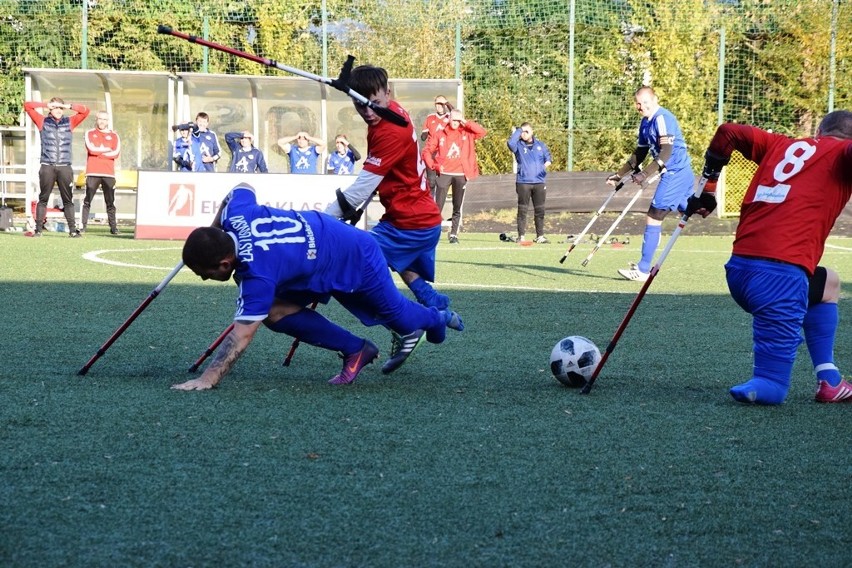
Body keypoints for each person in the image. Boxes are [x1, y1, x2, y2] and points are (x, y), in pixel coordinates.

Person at [171, 183, 463, 391]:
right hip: (320, 254)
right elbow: (240, 188)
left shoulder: (256, 275)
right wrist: (216, 229)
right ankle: (355, 350)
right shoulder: (236, 215)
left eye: (205, 273)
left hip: (354, 254)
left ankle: (437, 316)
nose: (203, 278)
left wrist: (208, 378)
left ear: (225, 263)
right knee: (273, 311)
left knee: (400, 316)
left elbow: (243, 334)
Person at [688, 109, 852, 405]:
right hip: (779, 281)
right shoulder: (842, 152)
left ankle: (830, 380)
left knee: (829, 284)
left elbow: (728, 131)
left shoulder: (782, 145)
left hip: (739, 273)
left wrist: (708, 187)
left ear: (818, 132)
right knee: (772, 388)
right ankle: (763, 383)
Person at [324, 65, 454, 374]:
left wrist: (321, 221)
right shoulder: (391, 112)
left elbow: (359, 191)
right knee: (389, 262)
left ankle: (409, 326)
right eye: (359, 103)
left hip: (411, 222)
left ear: (388, 94)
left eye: (374, 102)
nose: (368, 111)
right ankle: (434, 304)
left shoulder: (390, 130)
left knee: (345, 267)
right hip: (409, 218)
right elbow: (376, 179)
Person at [607, 86, 695, 282]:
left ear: (655, 100)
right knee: (690, 210)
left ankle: (643, 269)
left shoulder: (662, 118)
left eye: (645, 102)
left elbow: (666, 152)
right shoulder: (645, 123)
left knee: (654, 216)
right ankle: (707, 206)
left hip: (675, 173)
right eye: (638, 103)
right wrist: (618, 175)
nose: (641, 107)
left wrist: (645, 174)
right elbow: (639, 154)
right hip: (678, 172)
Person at [23, 97, 90, 237]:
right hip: (47, 165)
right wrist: (45, 104)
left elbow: (85, 111)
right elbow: (27, 106)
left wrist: (68, 105)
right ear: (50, 109)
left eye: (60, 108)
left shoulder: (70, 122)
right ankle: (39, 230)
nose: (58, 110)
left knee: (67, 199)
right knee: (43, 198)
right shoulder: (42, 121)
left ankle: (72, 230)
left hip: (65, 166)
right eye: (55, 108)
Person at [423, 108, 487, 244]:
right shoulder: (440, 133)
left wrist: (465, 121)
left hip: (460, 174)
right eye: (454, 119)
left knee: (457, 206)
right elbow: (427, 150)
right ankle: (432, 233)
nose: (456, 123)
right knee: (437, 206)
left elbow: (482, 132)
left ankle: (453, 234)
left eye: (458, 120)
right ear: (449, 119)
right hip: (444, 173)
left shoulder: (467, 133)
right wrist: (433, 165)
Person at [507, 122, 552, 243]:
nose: (524, 134)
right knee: (522, 210)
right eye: (522, 132)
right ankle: (521, 236)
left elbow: (548, 159)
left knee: (540, 210)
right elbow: (510, 143)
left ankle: (540, 236)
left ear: (532, 131)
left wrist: (542, 168)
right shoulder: (518, 145)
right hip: (523, 182)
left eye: (527, 131)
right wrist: (519, 130)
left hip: (539, 182)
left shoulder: (541, 145)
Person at [81, 110, 121, 234]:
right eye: (100, 119)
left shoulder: (114, 136)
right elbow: (91, 149)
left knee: (110, 202)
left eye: (105, 119)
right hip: (93, 172)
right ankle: (82, 226)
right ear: (96, 119)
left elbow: (116, 153)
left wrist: (100, 152)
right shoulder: (89, 133)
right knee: (87, 200)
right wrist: (106, 150)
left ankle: (113, 228)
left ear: (108, 121)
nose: (102, 121)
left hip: (108, 173)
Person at [420, 95, 452, 197]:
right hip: (431, 152)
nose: (439, 106)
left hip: (445, 153)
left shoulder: (450, 117)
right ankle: (429, 204)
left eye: (441, 104)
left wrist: (446, 103)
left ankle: (439, 205)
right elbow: (424, 135)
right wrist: (423, 135)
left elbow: (457, 115)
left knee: (442, 182)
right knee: (431, 181)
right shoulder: (430, 117)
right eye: (437, 104)